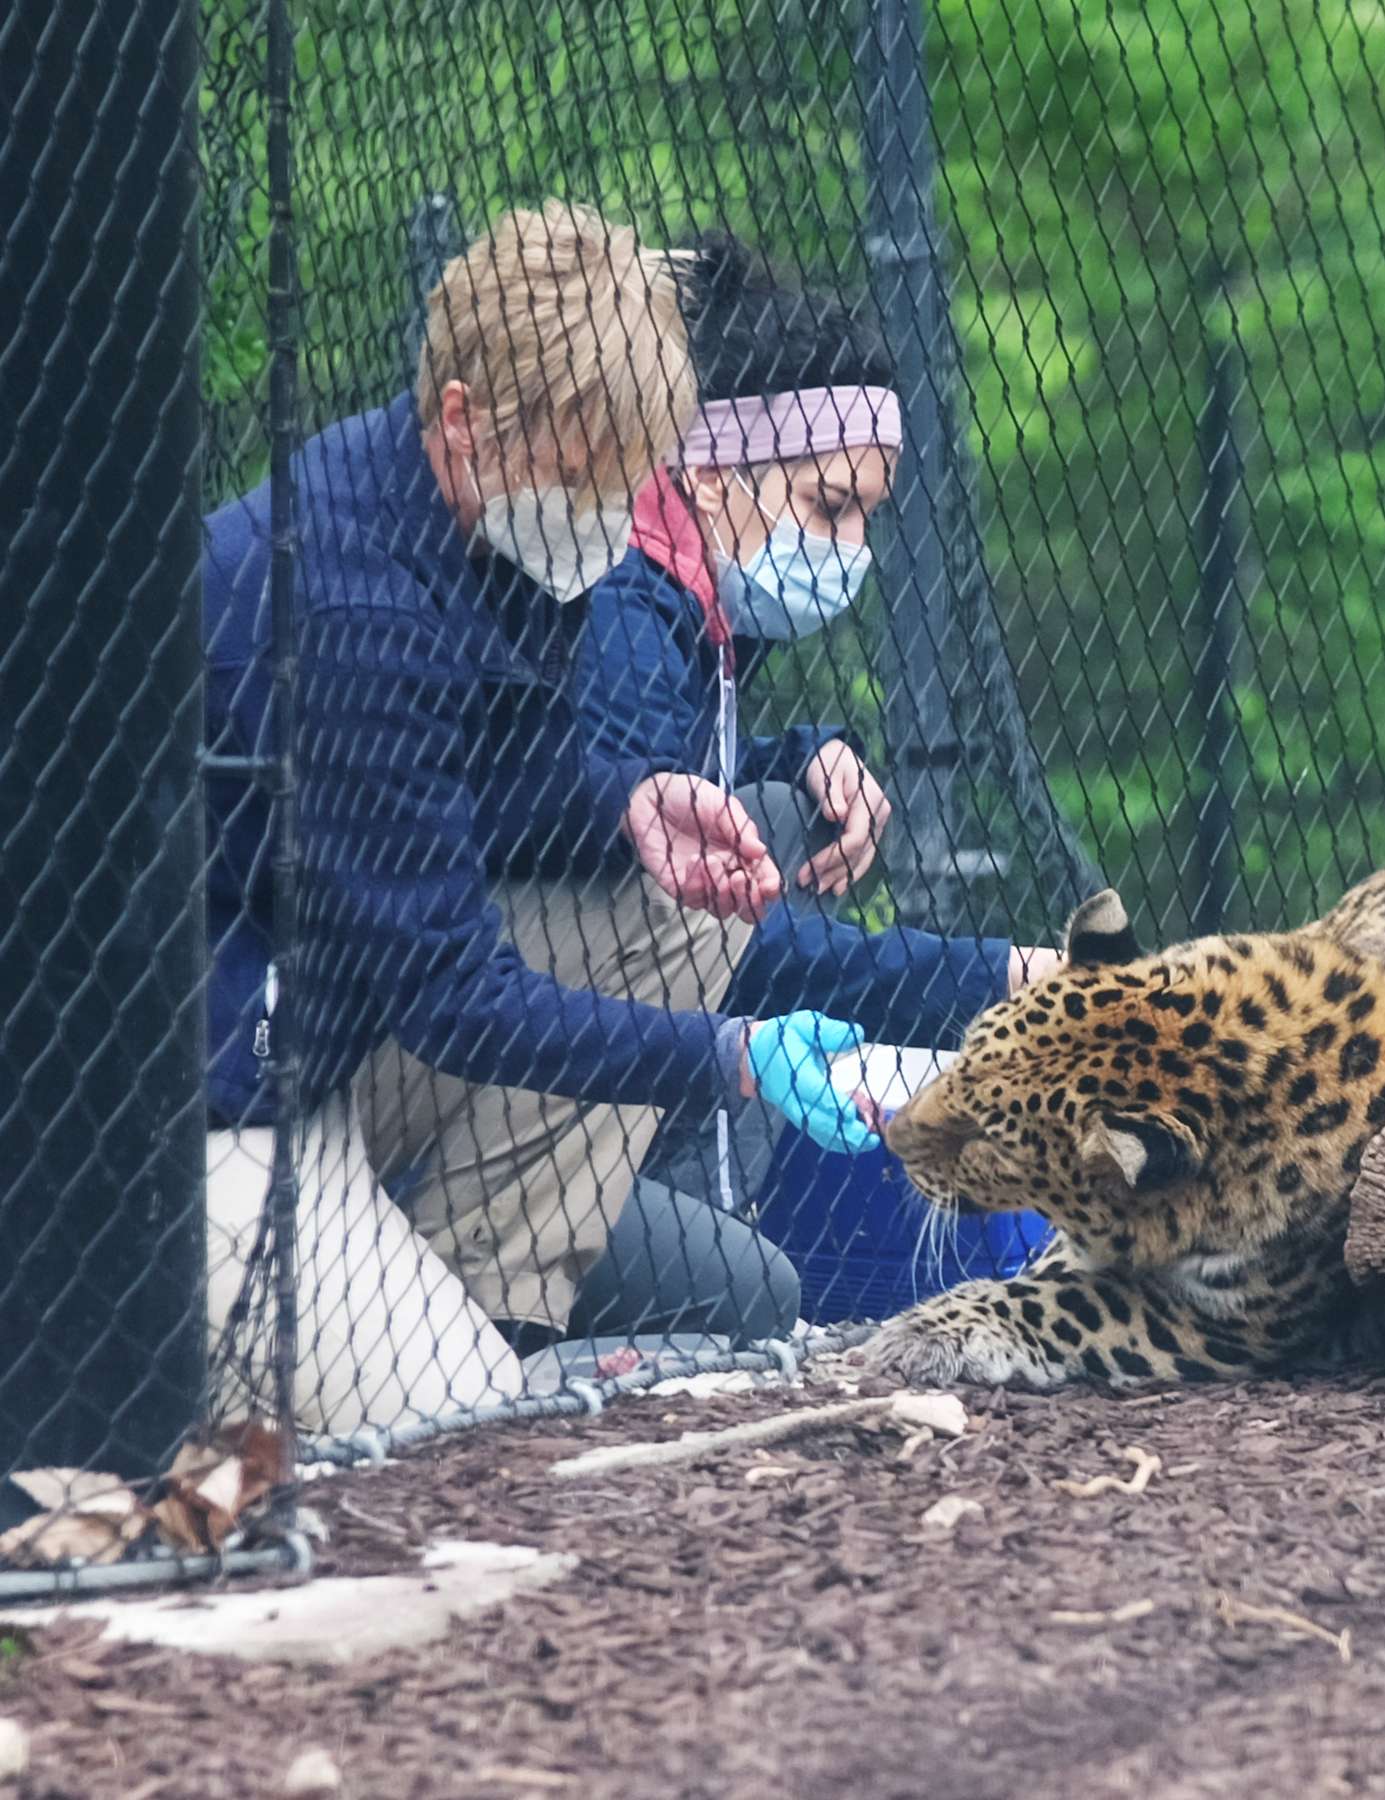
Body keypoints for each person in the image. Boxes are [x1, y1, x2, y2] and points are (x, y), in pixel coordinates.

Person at [201, 202, 880, 1436]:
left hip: (321, 1038)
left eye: (630, 480)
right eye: (586, 478)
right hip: (189, 1103)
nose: (613, 522)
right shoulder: (355, 607)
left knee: (687, 908)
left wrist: (628, 803)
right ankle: (385, 1344)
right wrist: (732, 1059)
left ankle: (475, 1305)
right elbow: (454, 997)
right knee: (450, 1415)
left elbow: (500, 796)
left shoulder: (492, 525)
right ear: (464, 419)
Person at [575, 233, 1055, 1312]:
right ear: (710, 470)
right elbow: (703, 939)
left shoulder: (694, 604)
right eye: (830, 505)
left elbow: (676, 777)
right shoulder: (624, 618)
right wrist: (991, 981)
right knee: (752, 1302)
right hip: (541, 1080)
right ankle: (671, 1206)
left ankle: (704, 1193)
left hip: (622, 1015)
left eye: (867, 517)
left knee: (783, 811)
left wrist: (807, 754)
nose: (851, 548)